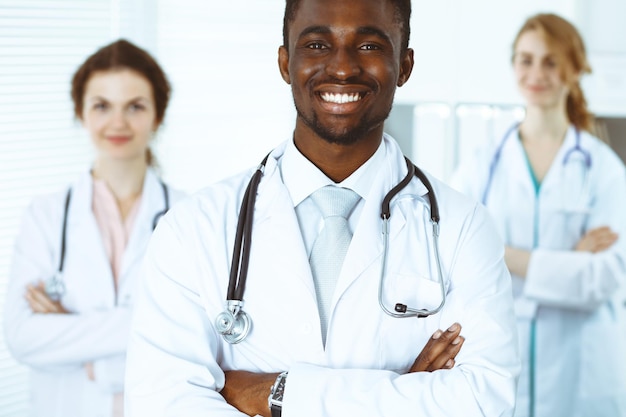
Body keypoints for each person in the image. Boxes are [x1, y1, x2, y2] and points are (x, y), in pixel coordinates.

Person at [125, 1, 520, 416]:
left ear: (404, 65)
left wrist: (276, 395)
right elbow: (161, 403)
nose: (343, 68)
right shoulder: (193, 229)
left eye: (369, 46)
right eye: (316, 45)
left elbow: (483, 402)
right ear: (285, 62)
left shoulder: (463, 227)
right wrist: (408, 393)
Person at [450, 13, 626, 417]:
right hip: (500, 365)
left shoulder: (605, 170)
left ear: (575, 68)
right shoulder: (481, 165)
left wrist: (503, 256)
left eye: (551, 61)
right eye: (526, 59)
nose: (537, 72)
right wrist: (569, 262)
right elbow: (455, 266)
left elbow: (604, 279)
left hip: (582, 374)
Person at [3, 39, 185, 417]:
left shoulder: (189, 215)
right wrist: (150, 325)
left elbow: (201, 339)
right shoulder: (46, 215)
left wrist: (76, 338)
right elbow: (22, 338)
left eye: (135, 106)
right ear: (81, 113)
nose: (117, 122)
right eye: (102, 106)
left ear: (157, 115)